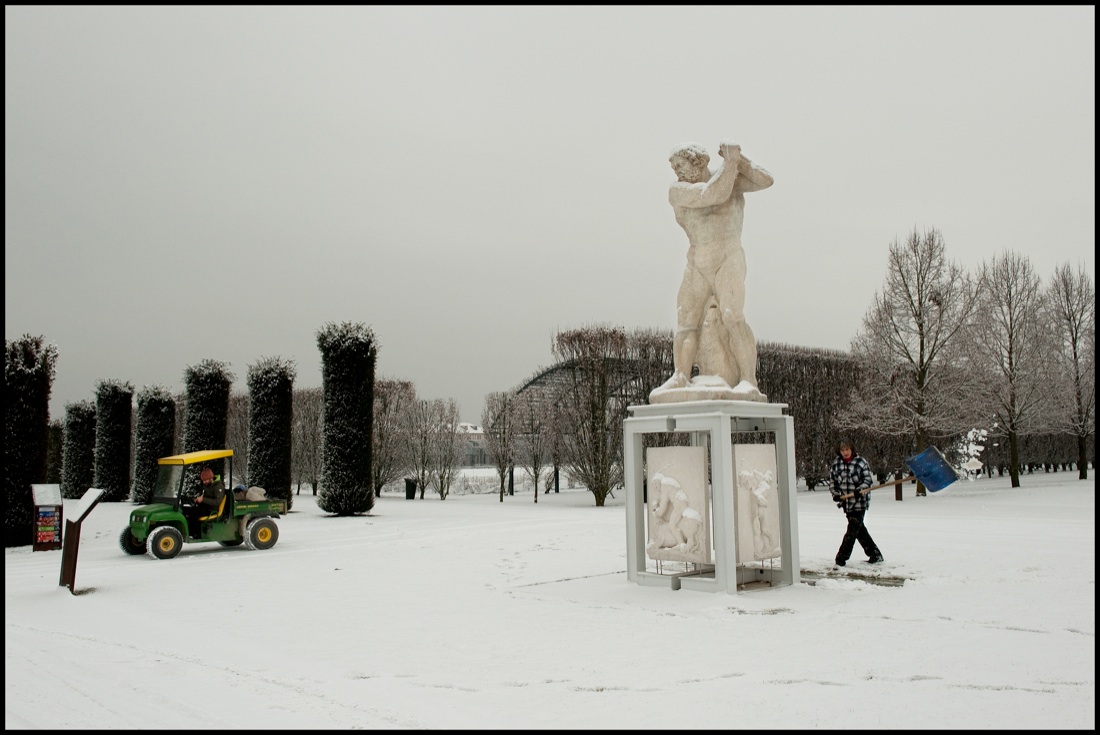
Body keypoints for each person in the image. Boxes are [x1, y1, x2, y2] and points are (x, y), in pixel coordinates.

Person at [650, 140, 774, 403]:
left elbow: (766, 180)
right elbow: (710, 195)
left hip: (728, 255)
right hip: (697, 259)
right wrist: (730, 164)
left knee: (733, 316)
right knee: (686, 319)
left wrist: (740, 160)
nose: (678, 173)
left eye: (681, 166)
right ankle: (681, 374)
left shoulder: (731, 178)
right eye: (674, 169)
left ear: (699, 162)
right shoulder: (679, 191)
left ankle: (748, 379)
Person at [829, 440, 884, 567]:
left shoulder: (861, 462)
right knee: (859, 530)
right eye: (842, 450)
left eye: (847, 449)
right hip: (847, 503)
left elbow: (868, 480)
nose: (845, 452)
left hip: (859, 502)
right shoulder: (836, 464)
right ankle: (875, 555)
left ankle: (841, 558)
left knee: (852, 530)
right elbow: (833, 482)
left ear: (852, 449)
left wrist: (861, 489)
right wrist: (836, 494)